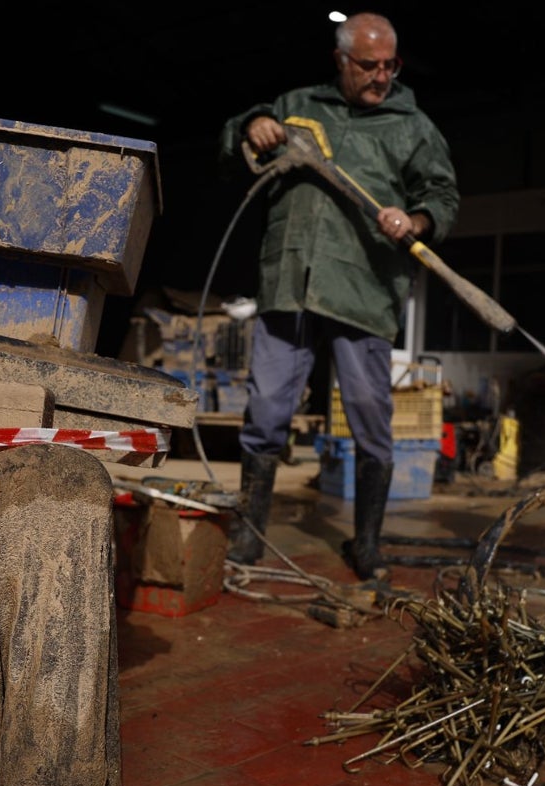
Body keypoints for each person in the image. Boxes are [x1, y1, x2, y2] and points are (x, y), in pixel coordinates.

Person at [218, 12, 459, 581]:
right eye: (369, 65)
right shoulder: (299, 105)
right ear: (340, 61)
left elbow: (443, 195)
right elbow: (234, 147)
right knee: (267, 411)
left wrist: (418, 219)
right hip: (290, 281)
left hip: (362, 289)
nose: (382, 76)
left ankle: (367, 544)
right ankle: (249, 537)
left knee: (370, 416)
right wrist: (251, 125)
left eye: (390, 65)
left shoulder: (412, 126)